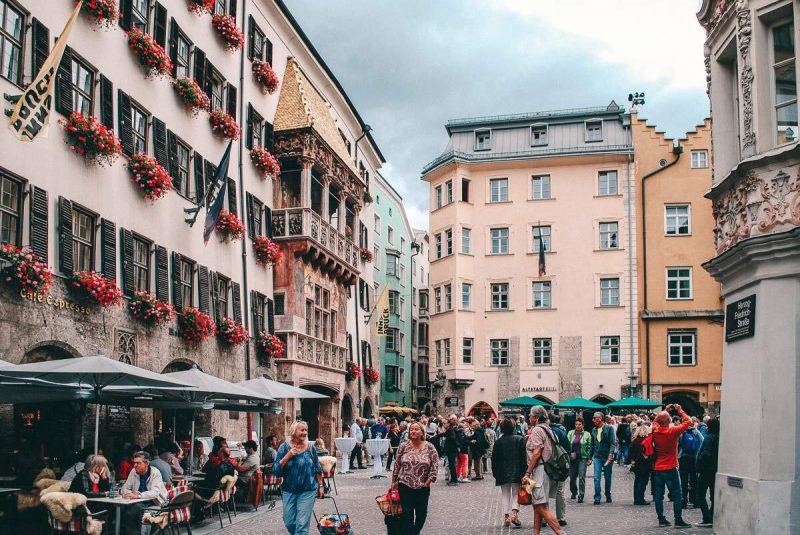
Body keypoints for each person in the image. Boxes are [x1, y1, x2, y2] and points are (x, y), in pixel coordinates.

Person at [273, 421, 324, 535]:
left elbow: (318, 468)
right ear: (294, 431)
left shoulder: (310, 448)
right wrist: (287, 456)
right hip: (289, 490)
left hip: (307, 491)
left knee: (301, 524)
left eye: (306, 430)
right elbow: (276, 470)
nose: (305, 433)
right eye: (302, 430)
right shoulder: (284, 447)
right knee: (289, 522)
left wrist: (320, 486)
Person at [522, 406, 566, 535]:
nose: (529, 417)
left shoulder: (537, 430)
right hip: (547, 470)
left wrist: (527, 473)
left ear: (536, 417)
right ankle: (535, 533)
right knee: (538, 504)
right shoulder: (548, 429)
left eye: (530, 415)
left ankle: (561, 532)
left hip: (540, 470)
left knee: (541, 506)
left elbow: (537, 453)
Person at [391, 421, 438, 535]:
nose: (413, 431)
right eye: (411, 429)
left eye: (416, 429)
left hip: (422, 486)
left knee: (422, 513)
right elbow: (397, 464)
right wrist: (394, 481)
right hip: (404, 484)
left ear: (422, 432)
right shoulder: (403, 446)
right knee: (407, 514)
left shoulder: (429, 447)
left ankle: (415, 532)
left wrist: (428, 481)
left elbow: (434, 465)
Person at [652, 404, 692, 527]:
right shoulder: (672, 431)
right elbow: (688, 421)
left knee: (658, 495)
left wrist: (665, 411)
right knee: (677, 493)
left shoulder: (655, 430)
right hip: (671, 467)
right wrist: (680, 410)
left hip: (658, 467)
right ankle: (678, 519)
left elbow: (655, 421)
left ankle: (661, 519)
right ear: (668, 421)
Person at [491, 418, 527, 528]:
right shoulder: (520, 439)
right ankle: (514, 513)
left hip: (502, 472)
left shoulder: (498, 442)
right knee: (516, 493)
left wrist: (495, 472)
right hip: (517, 471)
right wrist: (525, 472)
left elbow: (494, 459)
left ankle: (506, 516)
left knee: (505, 494)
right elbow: (523, 458)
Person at [121, 451, 167, 535]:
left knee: (131, 513)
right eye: (134, 463)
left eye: (138, 463)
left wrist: (138, 495)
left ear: (147, 463)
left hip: (154, 503)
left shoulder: (155, 472)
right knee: (121, 509)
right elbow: (125, 488)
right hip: (137, 502)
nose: (135, 465)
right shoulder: (133, 471)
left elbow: (155, 493)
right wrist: (129, 493)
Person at [695, 417, 719, 528]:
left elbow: (706, 453)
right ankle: (711, 515)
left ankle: (707, 517)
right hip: (715, 470)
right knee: (713, 495)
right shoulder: (719, 437)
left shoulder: (709, 438)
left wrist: (699, 462)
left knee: (700, 494)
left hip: (706, 470)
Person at [588, 411, 615, 505]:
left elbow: (612, 443)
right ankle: (597, 497)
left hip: (607, 457)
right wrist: (590, 457)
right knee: (596, 478)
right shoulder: (593, 430)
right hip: (597, 457)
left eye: (594, 418)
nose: (593, 420)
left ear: (600, 419)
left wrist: (611, 454)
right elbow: (592, 445)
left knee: (607, 477)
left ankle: (608, 494)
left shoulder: (609, 428)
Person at [548, 412, 569, 527]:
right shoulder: (562, 432)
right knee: (560, 491)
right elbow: (568, 449)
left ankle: (544, 518)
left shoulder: (543, 431)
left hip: (547, 465)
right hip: (560, 465)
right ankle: (561, 518)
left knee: (545, 491)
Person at [678, 423, 703, 509]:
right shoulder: (695, 432)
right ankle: (695, 501)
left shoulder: (682, 432)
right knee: (694, 480)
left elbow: (678, 443)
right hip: (693, 458)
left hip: (683, 458)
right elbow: (702, 440)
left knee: (683, 481)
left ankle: (683, 501)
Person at [566, 417, 591, 503]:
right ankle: (574, 491)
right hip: (572, 458)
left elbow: (589, 447)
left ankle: (581, 495)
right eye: (576, 424)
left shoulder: (587, 434)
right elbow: (567, 444)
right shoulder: (570, 433)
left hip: (582, 458)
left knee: (581, 477)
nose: (578, 426)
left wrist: (589, 458)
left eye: (580, 424)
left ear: (583, 425)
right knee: (572, 478)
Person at [629, 423, 653, 505]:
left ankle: (636, 498)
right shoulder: (646, 441)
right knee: (643, 481)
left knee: (637, 481)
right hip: (644, 463)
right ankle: (640, 498)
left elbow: (631, 452)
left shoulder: (634, 441)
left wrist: (633, 461)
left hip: (636, 463)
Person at [438, 418, 459, 485]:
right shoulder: (449, 430)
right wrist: (436, 436)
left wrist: (447, 439)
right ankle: (453, 480)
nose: (443, 424)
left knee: (452, 466)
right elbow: (443, 434)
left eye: (445, 423)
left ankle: (454, 481)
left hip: (452, 451)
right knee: (451, 465)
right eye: (443, 423)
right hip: (451, 450)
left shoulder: (450, 430)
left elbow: (453, 438)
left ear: (448, 424)